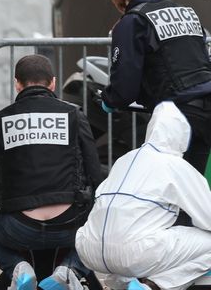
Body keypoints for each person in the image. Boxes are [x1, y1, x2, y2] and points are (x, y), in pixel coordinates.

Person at [0, 54, 102, 290]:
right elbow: (95, 174)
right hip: (69, 225)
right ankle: (69, 270)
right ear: (52, 83)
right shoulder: (73, 115)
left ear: (17, 84)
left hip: (19, 227)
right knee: (103, 227)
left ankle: (19, 269)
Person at [76, 101, 211, 290]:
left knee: (125, 246)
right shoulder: (175, 165)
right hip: (133, 252)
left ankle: (82, 280)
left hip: (88, 248)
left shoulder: (125, 159)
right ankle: (153, 286)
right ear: (182, 135)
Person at [100, 0, 211, 175]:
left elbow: (125, 85)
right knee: (190, 189)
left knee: (163, 186)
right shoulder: (185, 12)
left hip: (177, 114)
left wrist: (110, 99)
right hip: (206, 108)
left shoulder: (132, 22)